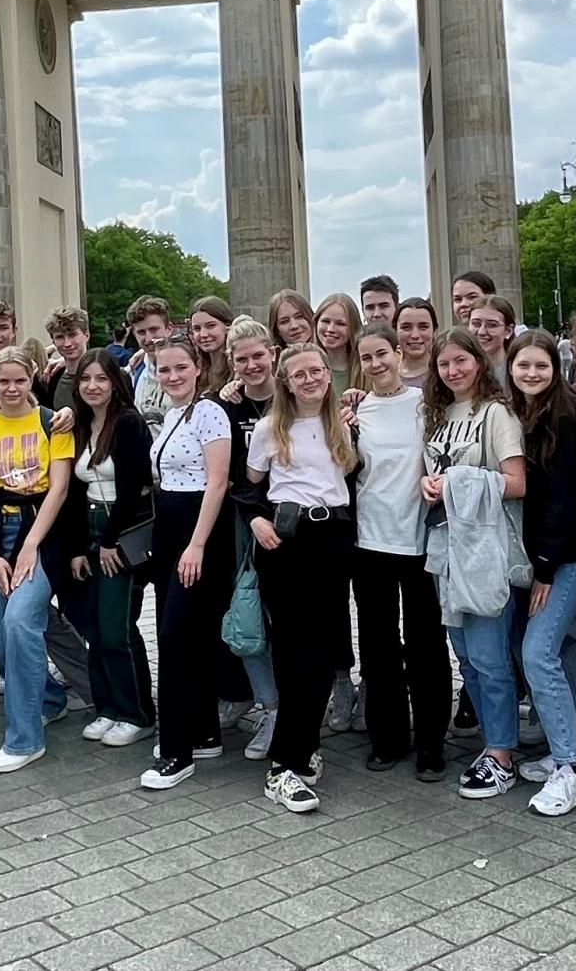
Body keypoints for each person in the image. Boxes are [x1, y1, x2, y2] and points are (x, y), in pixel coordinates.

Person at [244, 344, 357, 814]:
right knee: (296, 656)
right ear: (285, 382)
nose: (309, 379)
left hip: (332, 538)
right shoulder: (272, 428)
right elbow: (247, 487)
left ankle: (304, 746)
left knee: (326, 651)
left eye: (316, 371)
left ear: (327, 377)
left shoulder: (344, 426)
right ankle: (283, 766)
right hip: (286, 541)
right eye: (298, 374)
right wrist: (255, 518)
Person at [422, 328, 526, 801]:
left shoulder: (497, 413)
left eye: (461, 360)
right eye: (444, 364)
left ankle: (503, 753)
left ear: (479, 362)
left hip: (485, 547)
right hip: (447, 544)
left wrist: (456, 482)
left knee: (488, 655)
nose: (453, 370)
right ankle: (491, 741)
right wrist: (431, 486)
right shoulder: (440, 415)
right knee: (465, 656)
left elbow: (516, 482)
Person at [504, 331, 576, 816]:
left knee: (538, 652)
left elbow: (567, 498)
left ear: (555, 367)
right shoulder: (523, 413)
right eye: (523, 366)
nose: (532, 374)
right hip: (547, 553)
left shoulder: (565, 414)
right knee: (566, 645)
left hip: (565, 555)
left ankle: (571, 767)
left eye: (540, 365)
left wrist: (544, 567)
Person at [0, 347, 73, 771]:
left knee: (20, 620)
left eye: (19, 380)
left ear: (31, 380)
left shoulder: (51, 422)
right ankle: (48, 696)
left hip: (43, 532)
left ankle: (25, 739)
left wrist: (30, 547)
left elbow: (59, 489)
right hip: (1, 533)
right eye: (3, 381)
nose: (11, 388)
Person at [350, 322, 449, 782]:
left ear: (396, 353)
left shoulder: (426, 405)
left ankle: (432, 743)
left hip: (419, 540)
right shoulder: (354, 412)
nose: (376, 364)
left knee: (426, 645)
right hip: (370, 540)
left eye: (382, 354)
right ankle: (387, 737)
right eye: (367, 358)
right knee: (378, 645)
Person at [141, 335, 235, 789]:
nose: (173, 376)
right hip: (170, 530)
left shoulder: (210, 412)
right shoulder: (175, 415)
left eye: (181, 367)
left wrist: (196, 544)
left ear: (198, 367)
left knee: (176, 639)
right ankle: (203, 730)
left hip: (198, 533)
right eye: (164, 370)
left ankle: (177, 750)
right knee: (185, 635)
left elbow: (218, 482)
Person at [65, 350, 156, 747]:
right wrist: (78, 547)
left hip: (121, 529)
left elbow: (134, 488)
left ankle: (137, 713)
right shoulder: (82, 424)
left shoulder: (129, 424)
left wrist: (108, 542)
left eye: (101, 379)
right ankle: (108, 707)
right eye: (86, 379)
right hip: (88, 526)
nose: (93, 387)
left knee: (117, 626)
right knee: (94, 627)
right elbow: (73, 489)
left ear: (115, 381)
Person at [218, 316, 284, 756]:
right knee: (248, 615)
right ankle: (271, 707)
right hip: (246, 524)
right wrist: (254, 513)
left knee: (291, 621)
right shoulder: (229, 408)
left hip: (297, 523)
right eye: (243, 359)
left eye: (259, 355)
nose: (252, 364)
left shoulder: (295, 396)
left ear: (273, 355)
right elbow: (229, 474)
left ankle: (301, 706)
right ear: (232, 363)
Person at [125, 295, 175, 426]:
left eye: (154, 329)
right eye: (141, 332)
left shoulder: (188, 368)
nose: (148, 338)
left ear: (169, 329)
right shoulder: (134, 371)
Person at [40, 307, 93, 410]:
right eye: (60, 337)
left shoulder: (105, 376)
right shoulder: (52, 378)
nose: (67, 343)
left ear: (86, 335)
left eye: (72, 335)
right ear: (53, 341)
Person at [313, 293, 363, 391]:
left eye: (340, 324)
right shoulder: (305, 366)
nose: (330, 329)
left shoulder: (365, 369)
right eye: (326, 321)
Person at [189, 296, 236, 394]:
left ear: (227, 326)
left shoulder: (237, 369)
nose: (203, 334)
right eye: (197, 328)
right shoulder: (196, 369)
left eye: (210, 326)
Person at [468, 295, 515, 389]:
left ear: (508, 331)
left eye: (492, 325)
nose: (481, 332)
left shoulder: (517, 371)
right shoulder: (460, 371)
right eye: (476, 324)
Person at [394, 298, 438, 390]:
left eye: (423, 327)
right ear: (395, 330)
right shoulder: (385, 374)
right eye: (406, 327)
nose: (415, 335)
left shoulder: (445, 373)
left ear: (434, 331)